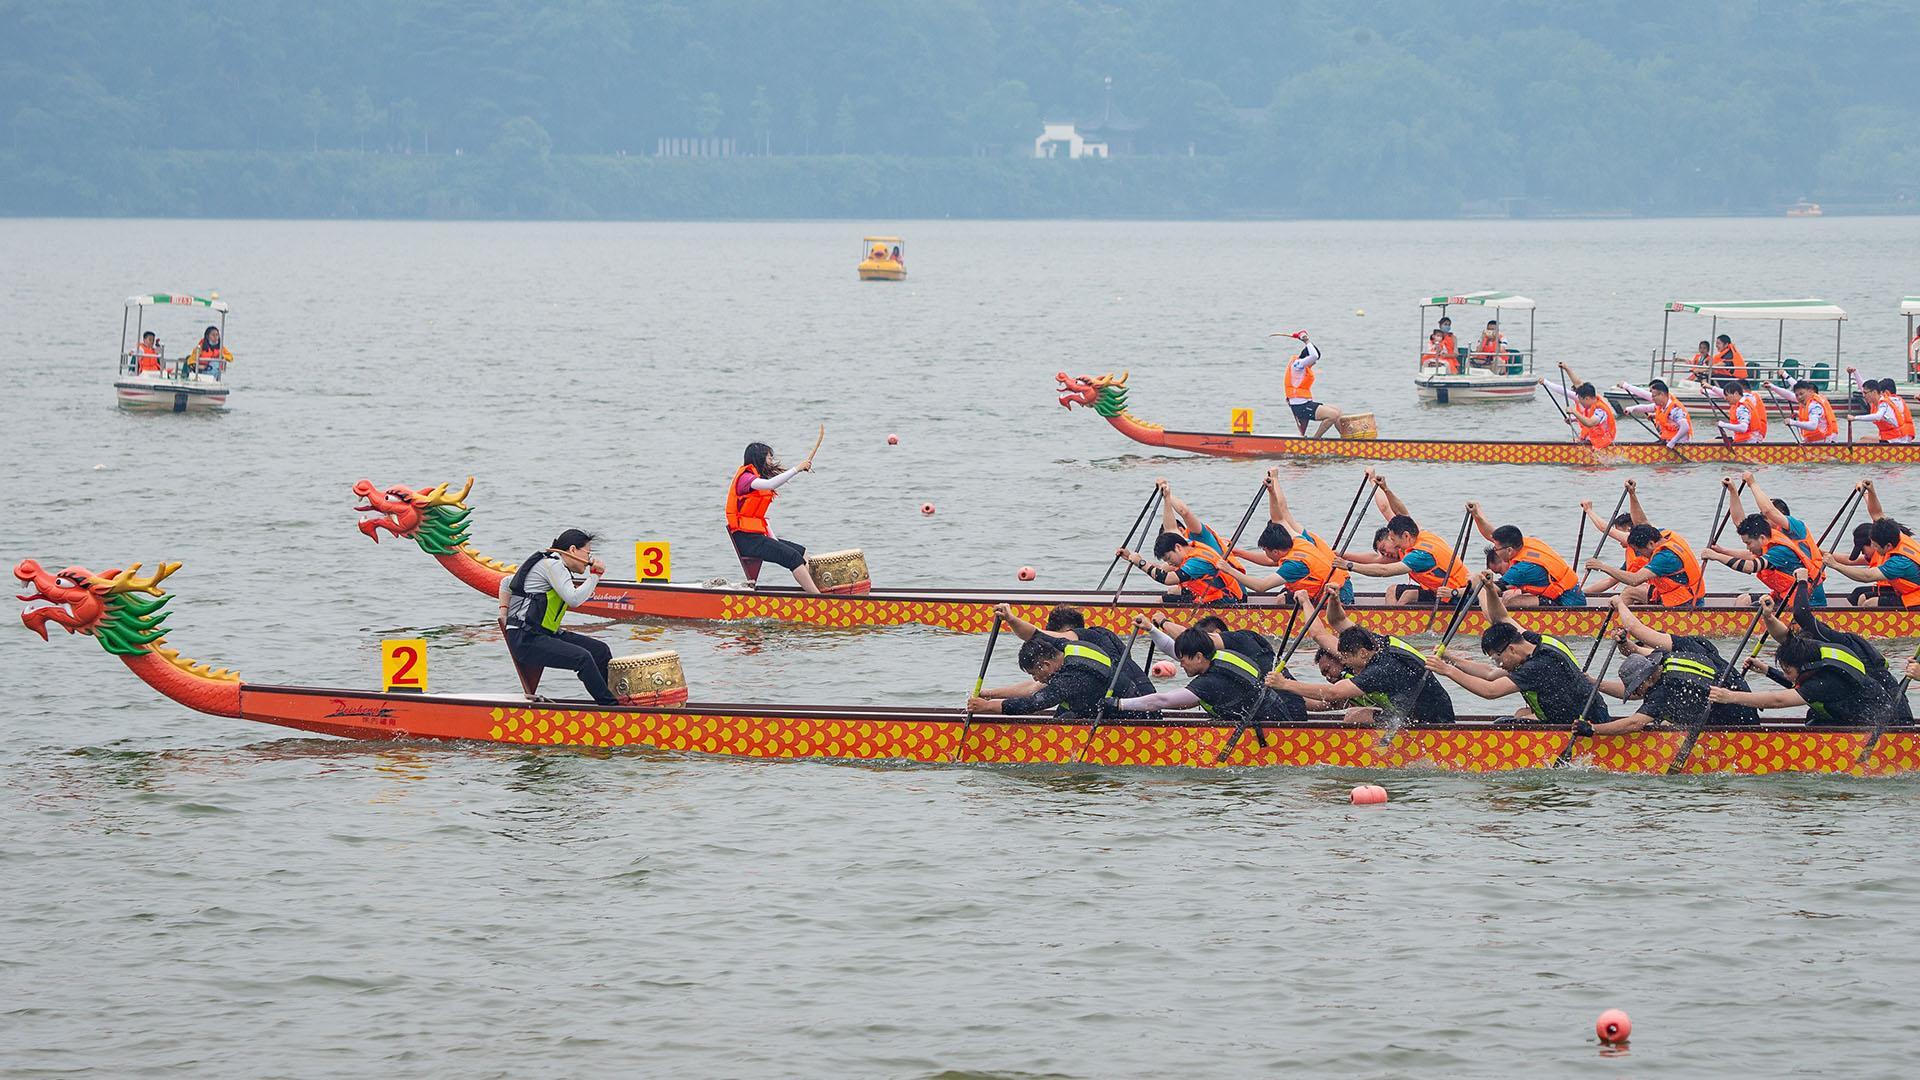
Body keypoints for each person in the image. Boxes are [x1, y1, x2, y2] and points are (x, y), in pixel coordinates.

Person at [1422, 571, 1610, 729]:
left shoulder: (1537, 666)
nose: (1498, 664)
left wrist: (1447, 670)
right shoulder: (1536, 640)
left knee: (1504, 724)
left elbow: (1490, 691)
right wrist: (1489, 589)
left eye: (1497, 659)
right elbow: (1500, 620)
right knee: (1521, 713)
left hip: (1584, 725)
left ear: (1510, 649)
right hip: (1590, 709)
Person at [1736, 577, 1910, 725]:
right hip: (1856, 708)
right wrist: (1768, 616)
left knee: (1816, 716)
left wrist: (1802, 581)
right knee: (1815, 716)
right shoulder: (1816, 653)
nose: (1792, 628)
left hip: (1890, 715)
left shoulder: (1834, 649)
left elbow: (1802, 614)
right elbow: (1786, 641)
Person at [1260, 595, 1455, 726]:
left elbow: (1334, 693)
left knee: (1356, 715)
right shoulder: (1375, 642)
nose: (1345, 663)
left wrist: (1285, 684)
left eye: (1346, 658)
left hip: (1433, 719)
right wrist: (1332, 599)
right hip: (1408, 710)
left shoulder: (1380, 670)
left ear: (1362, 653)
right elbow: (1334, 624)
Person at [1586, 595, 1760, 734]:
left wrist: (1619, 603)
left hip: (1735, 723)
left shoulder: (1664, 687)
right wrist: (1596, 681)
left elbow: (1634, 723)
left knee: (1662, 717)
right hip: (1743, 705)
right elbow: (1634, 657)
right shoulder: (1673, 658)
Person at [500, 528, 616, 705]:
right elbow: (574, 599)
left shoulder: (550, 563)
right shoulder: (553, 564)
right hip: (526, 639)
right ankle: (610, 707)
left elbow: (506, 582)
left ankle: (614, 698)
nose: (589, 561)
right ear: (572, 550)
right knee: (583, 658)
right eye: (588, 554)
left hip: (544, 634)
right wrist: (595, 577)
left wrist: (504, 612)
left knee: (600, 651)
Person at [1111, 624, 1301, 729]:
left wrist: (1119, 704)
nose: (1180, 663)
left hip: (1272, 730)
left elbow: (1162, 700)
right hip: (1278, 715)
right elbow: (1174, 650)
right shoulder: (1221, 656)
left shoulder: (1211, 682)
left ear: (1199, 657)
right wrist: (1151, 629)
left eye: (1183, 659)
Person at [1224, 468, 1354, 605]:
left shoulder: (1294, 564)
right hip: (1325, 585)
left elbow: (1261, 586)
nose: (1266, 555)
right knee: (1284, 592)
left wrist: (1228, 569)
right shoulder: (1297, 540)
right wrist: (1272, 489)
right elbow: (1279, 517)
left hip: (1339, 593)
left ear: (1275, 551)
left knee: (1281, 599)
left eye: (1266, 551)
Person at [1334, 471, 1466, 604]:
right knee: (1398, 592)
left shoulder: (1419, 555)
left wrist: (1349, 565)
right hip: (1437, 590)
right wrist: (1385, 489)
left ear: (1405, 535)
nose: (1390, 549)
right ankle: (1394, 621)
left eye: (1391, 541)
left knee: (1406, 595)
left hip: (1457, 596)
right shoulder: (1416, 533)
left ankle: (1397, 622)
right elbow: (1401, 513)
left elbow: (1383, 570)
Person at [1700, 473, 1828, 607]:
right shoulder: (1771, 537)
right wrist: (1733, 491)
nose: (1763, 517)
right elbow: (1741, 524)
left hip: (1807, 601)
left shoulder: (1795, 531)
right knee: (1744, 600)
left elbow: (1768, 511)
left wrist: (1752, 483)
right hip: (1785, 594)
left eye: (1764, 515)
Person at [966, 632, 1156, 719]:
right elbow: (1033, 689)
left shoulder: (1071, 678)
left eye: (1035, 674)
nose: (1036, 679)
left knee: (1062, 715)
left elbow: (1034, 703)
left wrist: (988, 707)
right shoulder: (1070, 648)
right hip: (1124, 702)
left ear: (1046, 665)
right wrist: (990, 694)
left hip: (1134, 719)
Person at [984, 603, 1154, 700]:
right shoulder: (1073, 663)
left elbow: (1035, 635)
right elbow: (1034, 687)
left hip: (1132, 702)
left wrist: (1011, 619)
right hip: (1142, 698)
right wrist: (988, 694)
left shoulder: (1087, 638)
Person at [1116, 479, 1245, 606]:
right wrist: (1166, 499)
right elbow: (1170, 528)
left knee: (1165, 599)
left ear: (1177, 547)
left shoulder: (1197, 560)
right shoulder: (1186, 544)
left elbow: (1168, 579)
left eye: (1168, 558)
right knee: (1172, 594)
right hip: (1210, 594)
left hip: (1229, 601)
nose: (1169, 562)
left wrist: (1141, 563)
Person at [726, 441, 822, 593]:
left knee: (802, 552)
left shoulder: (756, 478)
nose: (771, 461)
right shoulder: (745, 478)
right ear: (759, 458)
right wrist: (797, 468)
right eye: (768, 458)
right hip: (747, 540)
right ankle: (818, 599)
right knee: (793, 558)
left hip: (757, 537)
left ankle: (812, 591)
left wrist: (774, 539)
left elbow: (761, 517)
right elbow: (771, 484)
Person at [1469, 501, 1586, 607]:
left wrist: (1461, 590)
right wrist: (1477, 514)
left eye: (1496, 549)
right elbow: (1491, 534)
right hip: (1570, 593)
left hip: (1567, 603)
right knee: (1509, 595)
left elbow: (1493, 589)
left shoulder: (1522, 568)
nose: (1495, 551)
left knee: (1509, 601)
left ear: (1509, 550)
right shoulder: (1525, 543)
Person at [1582, 522, 1706, 607]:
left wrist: (1602, 566)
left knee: (1631, 591)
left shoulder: (1665, 557)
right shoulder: (1666, 536)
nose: (1642, 555)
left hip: (1684, 604)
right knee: (1634, 591)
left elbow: (1635, 579)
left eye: (1640, 552)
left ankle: (1615, 625)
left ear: (1651, 544)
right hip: (1686, 596)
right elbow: (1641, 520)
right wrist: (1632, 494)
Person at [1829, 515, 1920, 608]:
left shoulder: (1899, 563)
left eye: (1876, 546)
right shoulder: (1898, 537)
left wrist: (1835, 565)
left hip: (1916, 597)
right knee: (1862, 598)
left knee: (1870, 604)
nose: (1874, 548)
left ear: (1888, 546)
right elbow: (1876, 513)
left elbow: (1867, 576)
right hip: (1909, 592)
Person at [1274, 329, 1344, 439]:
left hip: (1306, 403)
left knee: (1338, 411)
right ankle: (1315, 440)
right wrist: (1306, 341)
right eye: (1314, 361)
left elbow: (1314, 357)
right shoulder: (1298, 365)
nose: (1315, 363)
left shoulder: (1302, 366)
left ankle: (1345, 439)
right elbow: (1314, 356)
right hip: (1300, 406)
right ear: (1307, 357)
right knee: (1333, 415)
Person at [1547, 363, 1618, 449]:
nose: (1580, 403)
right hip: (1593, 439)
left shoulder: (1600, 410)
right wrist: (1566, 368)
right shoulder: (1593, 400)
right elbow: (1578, 383)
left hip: (1603, 445)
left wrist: (1574, 412)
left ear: (1587, 398)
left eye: (1581, 400)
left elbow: (1590, 423)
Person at [1617, 378, 1691, 449]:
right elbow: (1647, 408)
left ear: (1661, 394)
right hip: (1668, 441)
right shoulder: (1661, 405)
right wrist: (1631, 409)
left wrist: (1673, 442)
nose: (1652, 398)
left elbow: (1685, 427)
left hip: (1679, 444)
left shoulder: (1675, 408)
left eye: (1653, 395)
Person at [1845, 369, 1916, 443]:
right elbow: (1863, 388)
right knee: (1863, 439)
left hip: (1899, 439)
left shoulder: (1887, 402)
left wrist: (1855, 418)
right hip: (1890, 436)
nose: (1864, 396)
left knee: (1862, 443)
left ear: (1876, 392)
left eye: (1865, 393)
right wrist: (1855, 372)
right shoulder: (1875, 402)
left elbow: (1878, 416)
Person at [1763, 379, 1840, 443]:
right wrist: (1772, 387)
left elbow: (1813, 426)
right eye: (1797, 395)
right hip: (1815, 440)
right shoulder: (1807, 401)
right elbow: (1789, 395)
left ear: (1810, 391)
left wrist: (1793, 422)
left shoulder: (1814, 405)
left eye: (1801, 394)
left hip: (1824, 441)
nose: (1799, 397)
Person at [1701, 378, 1769, 443]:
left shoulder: (1747, 401)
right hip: (1747, 436)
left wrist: (1722, 424)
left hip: (1751, 438)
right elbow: (1726, 394)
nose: (1725, 398)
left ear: (1738, 391)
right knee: (1714, 440)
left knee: (1710, 442)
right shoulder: (1744, 399)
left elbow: (1743, 428)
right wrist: (1707, 391)